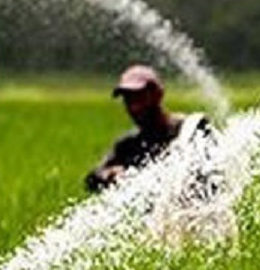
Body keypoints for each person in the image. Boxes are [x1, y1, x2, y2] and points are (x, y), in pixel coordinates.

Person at [84, 64, 214, 193]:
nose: (134, 107)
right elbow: (93, 178)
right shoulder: (129, 145)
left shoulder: (190, 129)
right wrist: (110, 174)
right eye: (128, 100)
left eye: (139, 98)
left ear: (157, 95)